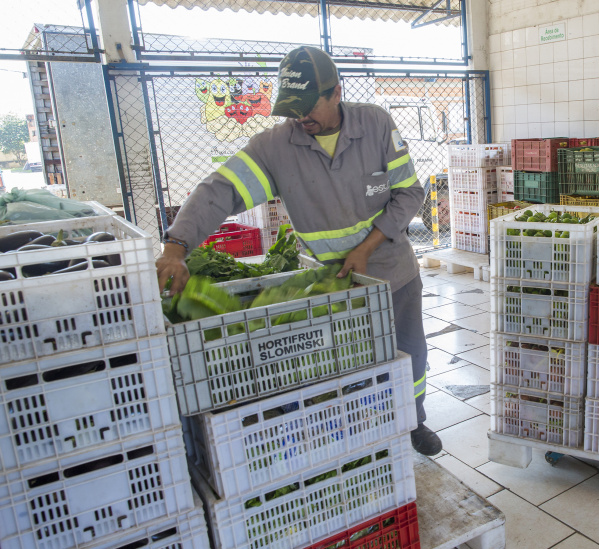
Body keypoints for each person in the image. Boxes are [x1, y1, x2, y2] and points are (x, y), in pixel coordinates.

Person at [155, 45, 441, 456]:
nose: (300, 117)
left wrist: (367, 246)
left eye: (308, 106)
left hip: (392, 269)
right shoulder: (274, 148)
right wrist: (176, 247)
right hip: (334, 283)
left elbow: (410, 192)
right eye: (292, 109)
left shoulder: (375, 124)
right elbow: (219, 191)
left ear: (336, 93)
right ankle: (368, 433)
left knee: (408, 351)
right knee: (351, 362)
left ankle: (414, 420)